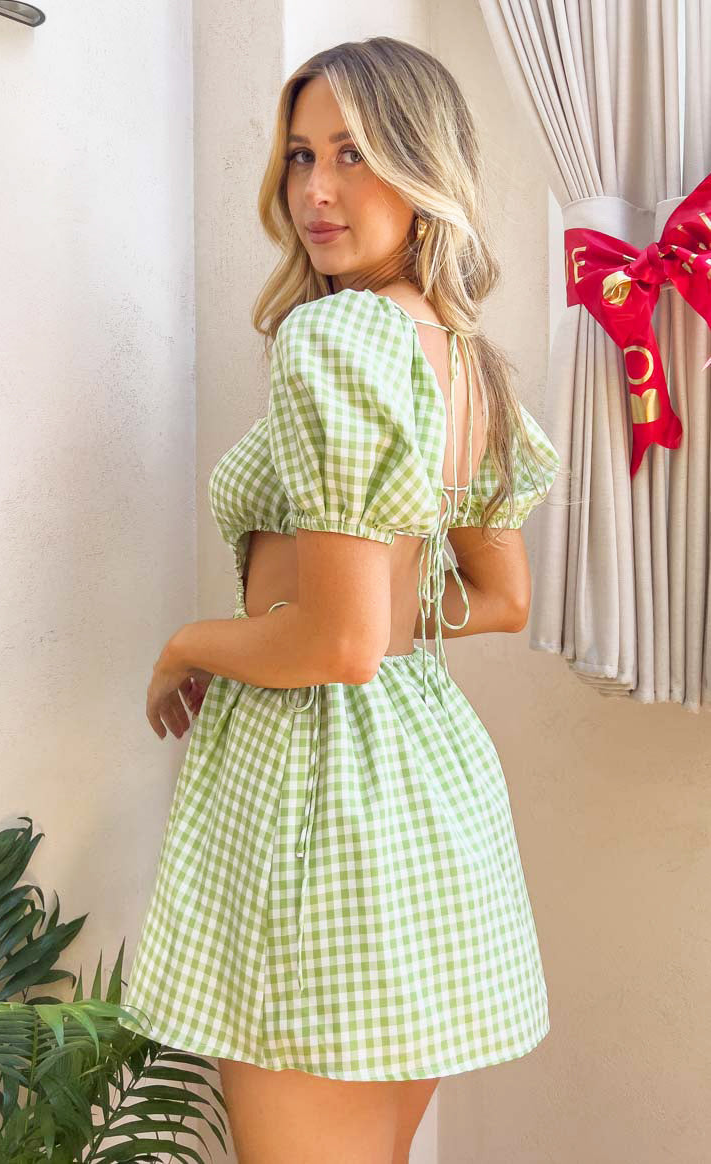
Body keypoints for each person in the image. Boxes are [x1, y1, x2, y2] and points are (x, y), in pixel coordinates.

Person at [119, 35, 561, 1164]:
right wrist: (370, 612)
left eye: (354, 154)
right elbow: (498, 598)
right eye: (301, 155)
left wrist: (190, 643)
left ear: (424, 167)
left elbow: (341, 646)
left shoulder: (336, 337)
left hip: (314, 800)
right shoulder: (464, 357)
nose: (316, 190)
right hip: (424, 792)